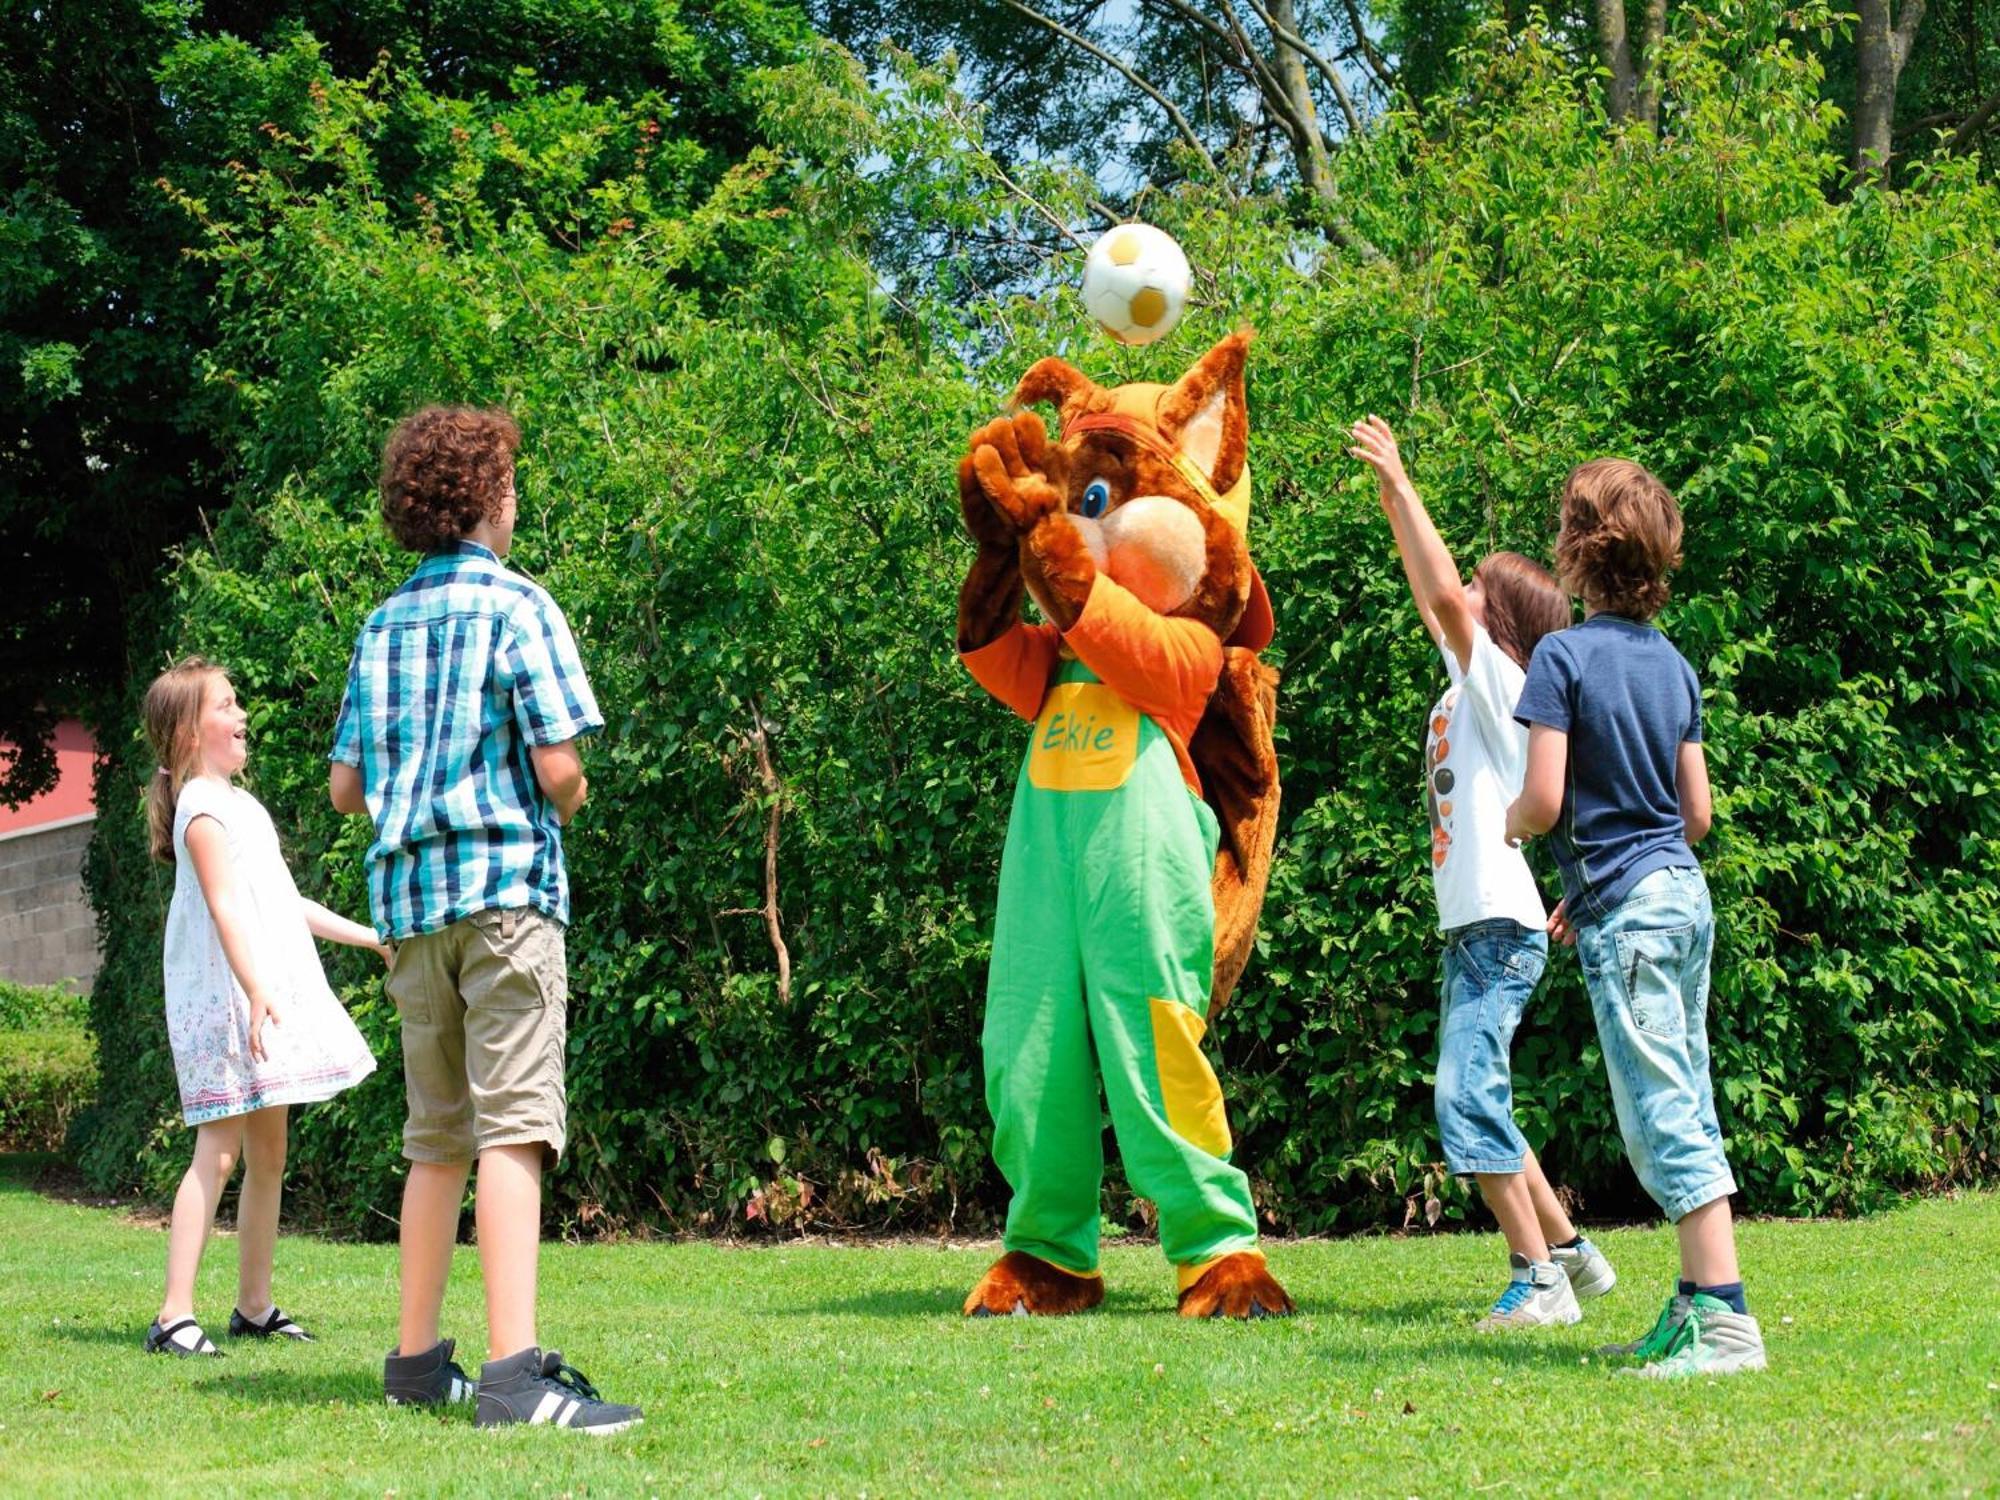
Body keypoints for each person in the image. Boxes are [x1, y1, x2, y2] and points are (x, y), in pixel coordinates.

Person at [331, 405, 641, 1432]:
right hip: (506, 898)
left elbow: (345, 790)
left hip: (411, 912)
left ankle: (418, 1364)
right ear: (490, 499)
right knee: (515, 1127)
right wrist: (572, 794)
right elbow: (558, 768)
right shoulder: (518, 606)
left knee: (437, 1138)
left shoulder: (380, 626)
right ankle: (514, 1376)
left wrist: (417, 793)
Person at [1349, 416, 1617, 1329]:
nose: (1458, 594)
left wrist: (1404, 477)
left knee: (1462, 1095)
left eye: (1476, 589)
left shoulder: (1503, 679)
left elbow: (1440, 593)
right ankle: (1573, 1256)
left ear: (1500, 623)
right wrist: (1392, 498)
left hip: (1499, 931)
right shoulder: (1475, 683)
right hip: (1481, 929)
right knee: (1486, 1093)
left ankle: (1537, 1280)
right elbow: (1431, 593)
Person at [1506, 458, 1766, 1378]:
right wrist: (1590, 887)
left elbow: (1542, 800)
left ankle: (1728, 1322)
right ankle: (1695, 1306)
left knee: (1663, 1110)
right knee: (1684, 1088)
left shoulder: (1563, 657)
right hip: (1682, 897)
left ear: (1576, 550)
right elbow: (1694, 817)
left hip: (1633, 914)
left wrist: (1513, 827)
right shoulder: (1676, 666)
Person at [143, 656, 380, 1357]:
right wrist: (254, 990)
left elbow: (282, 902)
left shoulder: (241, 804)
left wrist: (372, 939)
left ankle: (253, 1306)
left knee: (268, 1154)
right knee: (217, 1154)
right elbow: (222, 909)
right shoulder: (201, 807)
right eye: (226, 704)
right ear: (189, 732)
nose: (241, 714)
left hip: (259, 999)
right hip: (229, 1000)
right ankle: (173, 1316)